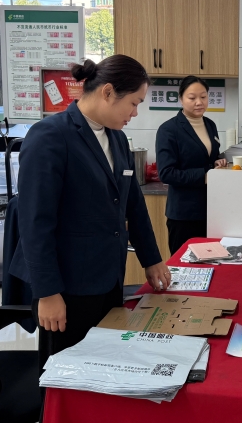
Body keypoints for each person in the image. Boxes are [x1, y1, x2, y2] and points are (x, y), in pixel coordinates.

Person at [11, 56, 172, 371]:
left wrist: (151, 259)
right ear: (108, 92)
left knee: (103, 367)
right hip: (66, 285)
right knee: (66, 372)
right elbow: (34, 224)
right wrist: (48, 293)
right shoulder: (50, 136)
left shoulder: (117, 138)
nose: (135, 113)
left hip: (107, 276)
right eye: (134, 103)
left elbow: (133, 204)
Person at [156, 76, 227, 255]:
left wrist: (217, 161)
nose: (199, 102)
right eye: (192, 97)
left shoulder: (210, 125)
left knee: (213, 262)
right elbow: (166, 173)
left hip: (212, 211)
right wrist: (205, 175)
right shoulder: (168, 129)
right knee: (185, 264)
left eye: (203, 97)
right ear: (181, 99)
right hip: (184, 215)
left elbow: (208, 157)